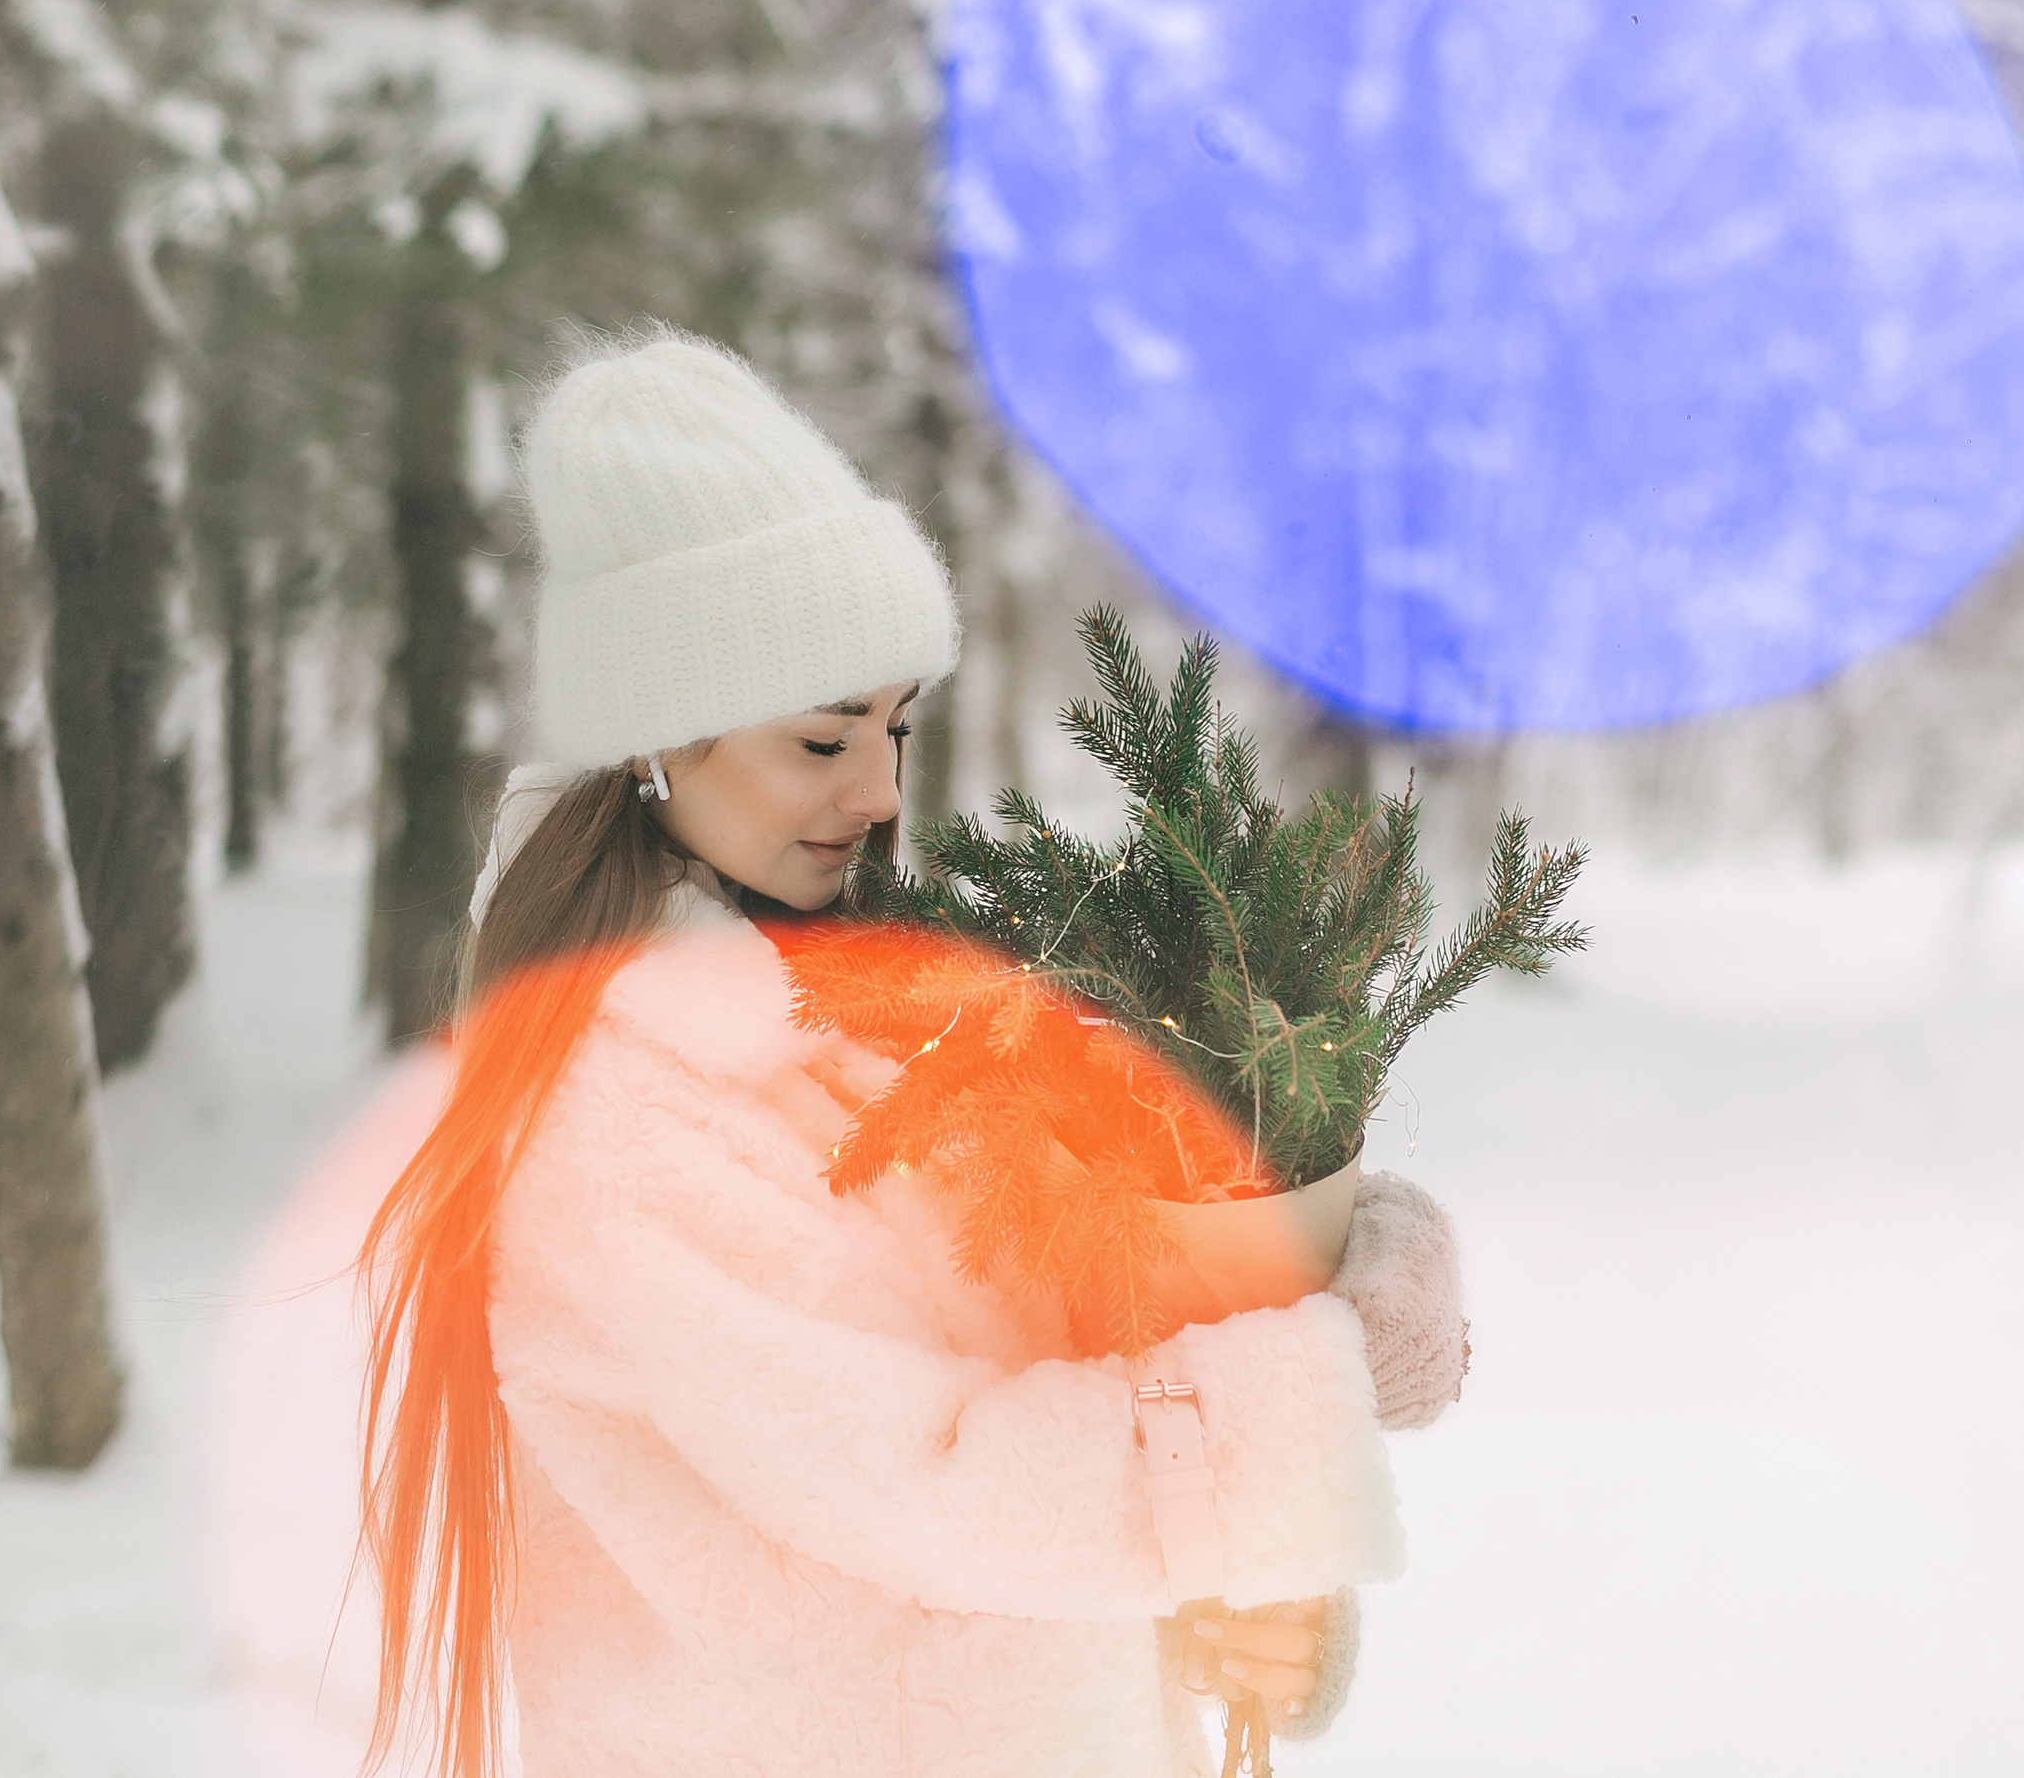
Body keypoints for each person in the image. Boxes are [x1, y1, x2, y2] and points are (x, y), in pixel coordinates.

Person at [360, 328, 1468, 1778]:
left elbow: (1065, 1307)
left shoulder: (860, 1016)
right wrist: (1295, 1401)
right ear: (656, 745)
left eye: (894, 726)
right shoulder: (612, 1117)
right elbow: (926, 1483)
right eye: (823, 742)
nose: (882, 792)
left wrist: (1317, 1273)